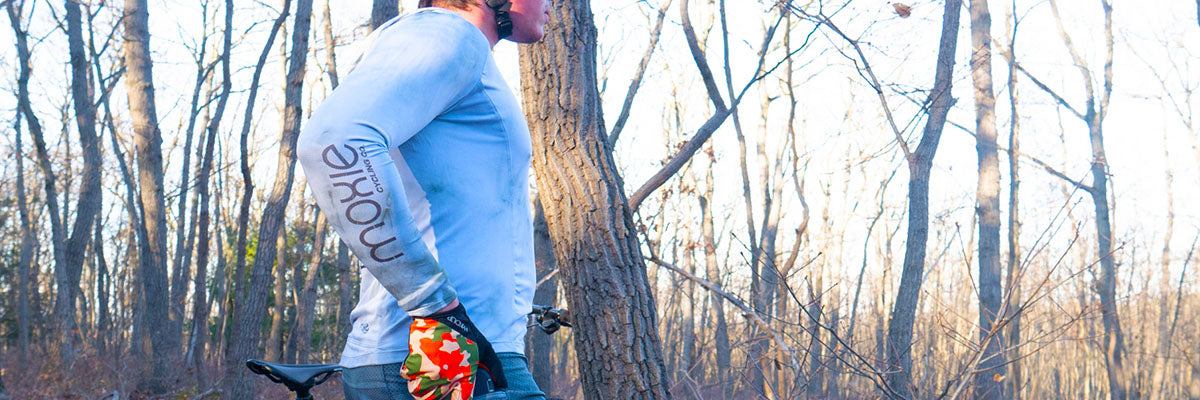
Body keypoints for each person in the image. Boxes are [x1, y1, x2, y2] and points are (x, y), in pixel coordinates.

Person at [295, 0, 550, 398]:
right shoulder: (447, 34)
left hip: (466, 351)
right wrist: (430, 302)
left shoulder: (454, 47)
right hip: (438, 359)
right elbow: (333, 139)